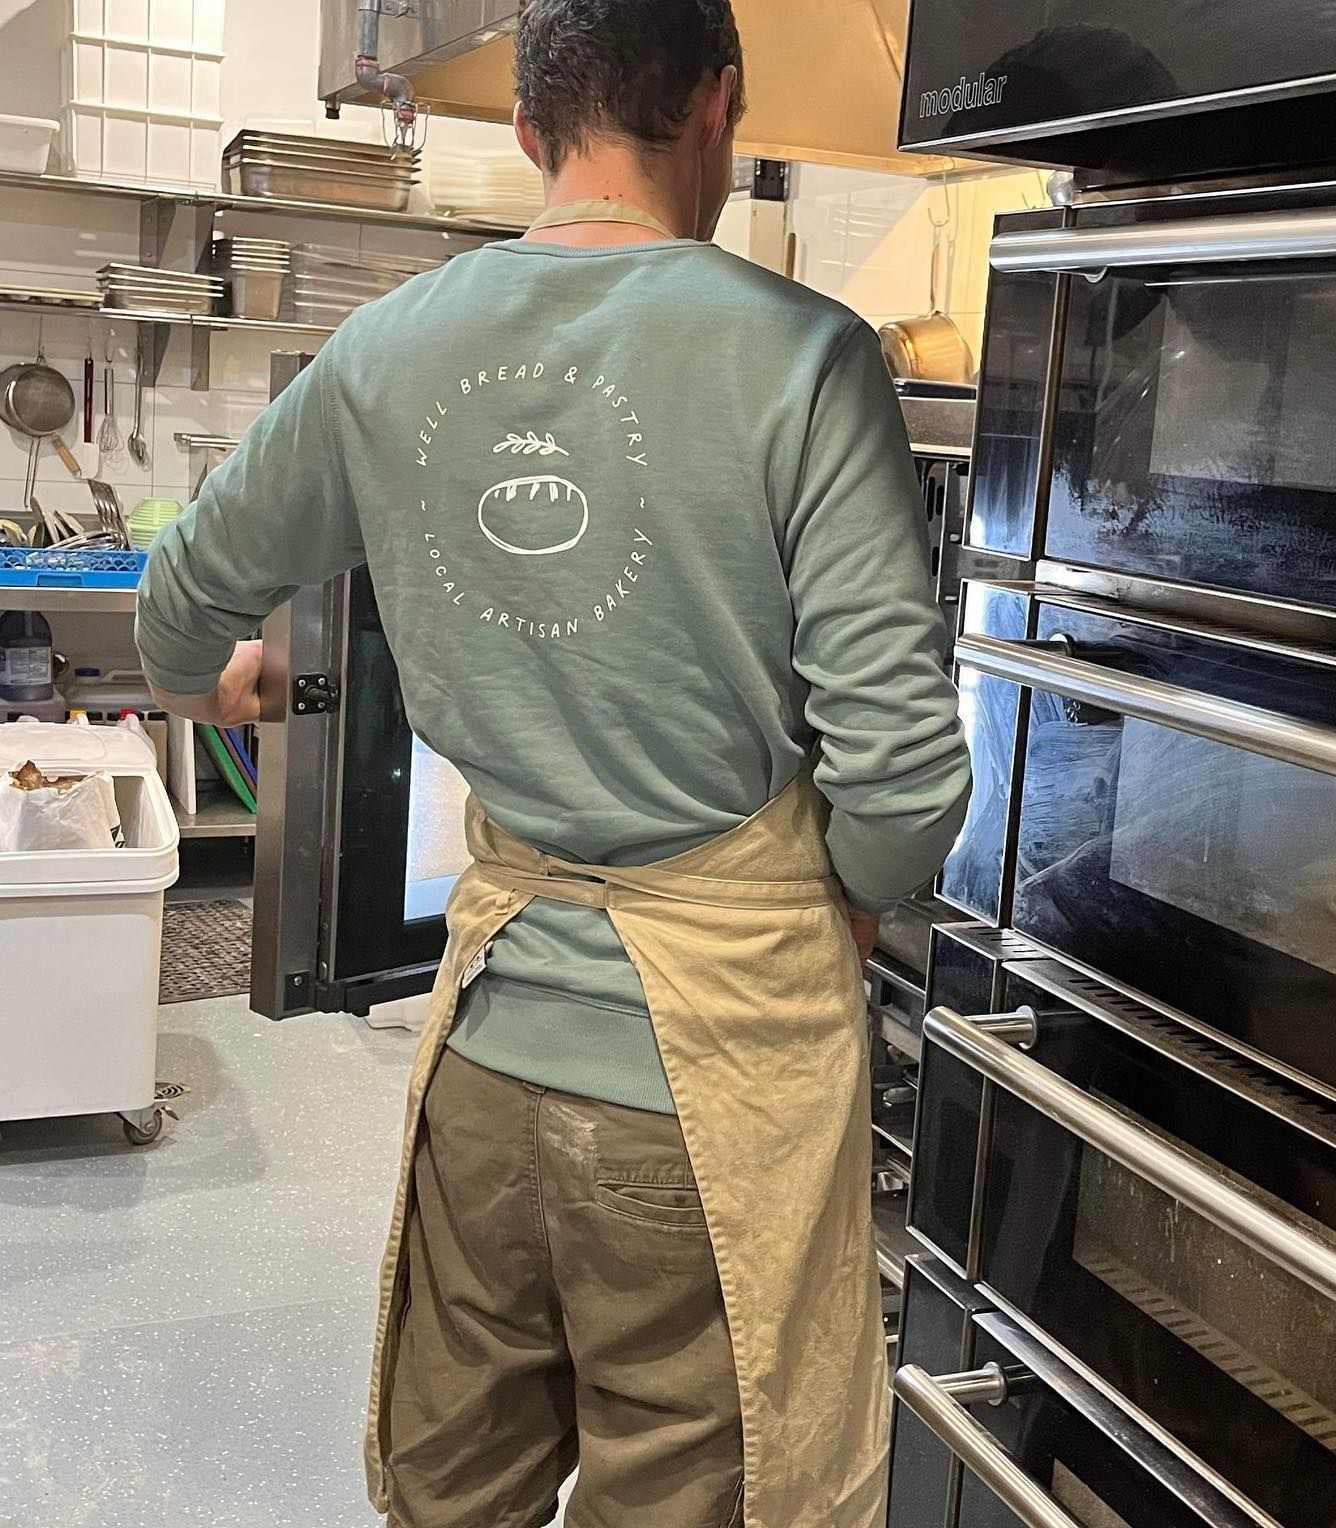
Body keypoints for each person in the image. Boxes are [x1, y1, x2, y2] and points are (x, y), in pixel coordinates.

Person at [136, 1, 971, 1522]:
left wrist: (220, 684)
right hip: (712, 1084)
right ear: (719, 111)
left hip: (486, 1054)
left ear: (528, 130)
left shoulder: (390, 346)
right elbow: (903, 783)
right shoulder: (808, 360)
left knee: (460, 1491)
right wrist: (839, 893)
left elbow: (180, 598)